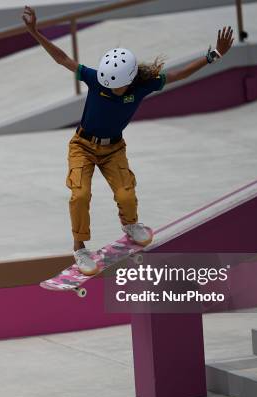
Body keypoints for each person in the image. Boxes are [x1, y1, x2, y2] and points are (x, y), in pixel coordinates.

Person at [22, 5, 234, 275]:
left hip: (113, 149)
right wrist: (35, 32)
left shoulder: (144, 85)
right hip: (82, 146)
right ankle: (80, 247)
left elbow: (179, 74)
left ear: (130, 80)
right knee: (80, 194)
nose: (109, 89)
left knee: (126, 193)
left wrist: (213, 55)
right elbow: (63, 58)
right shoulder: (96, 79)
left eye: (116, 87)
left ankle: (130, 224)